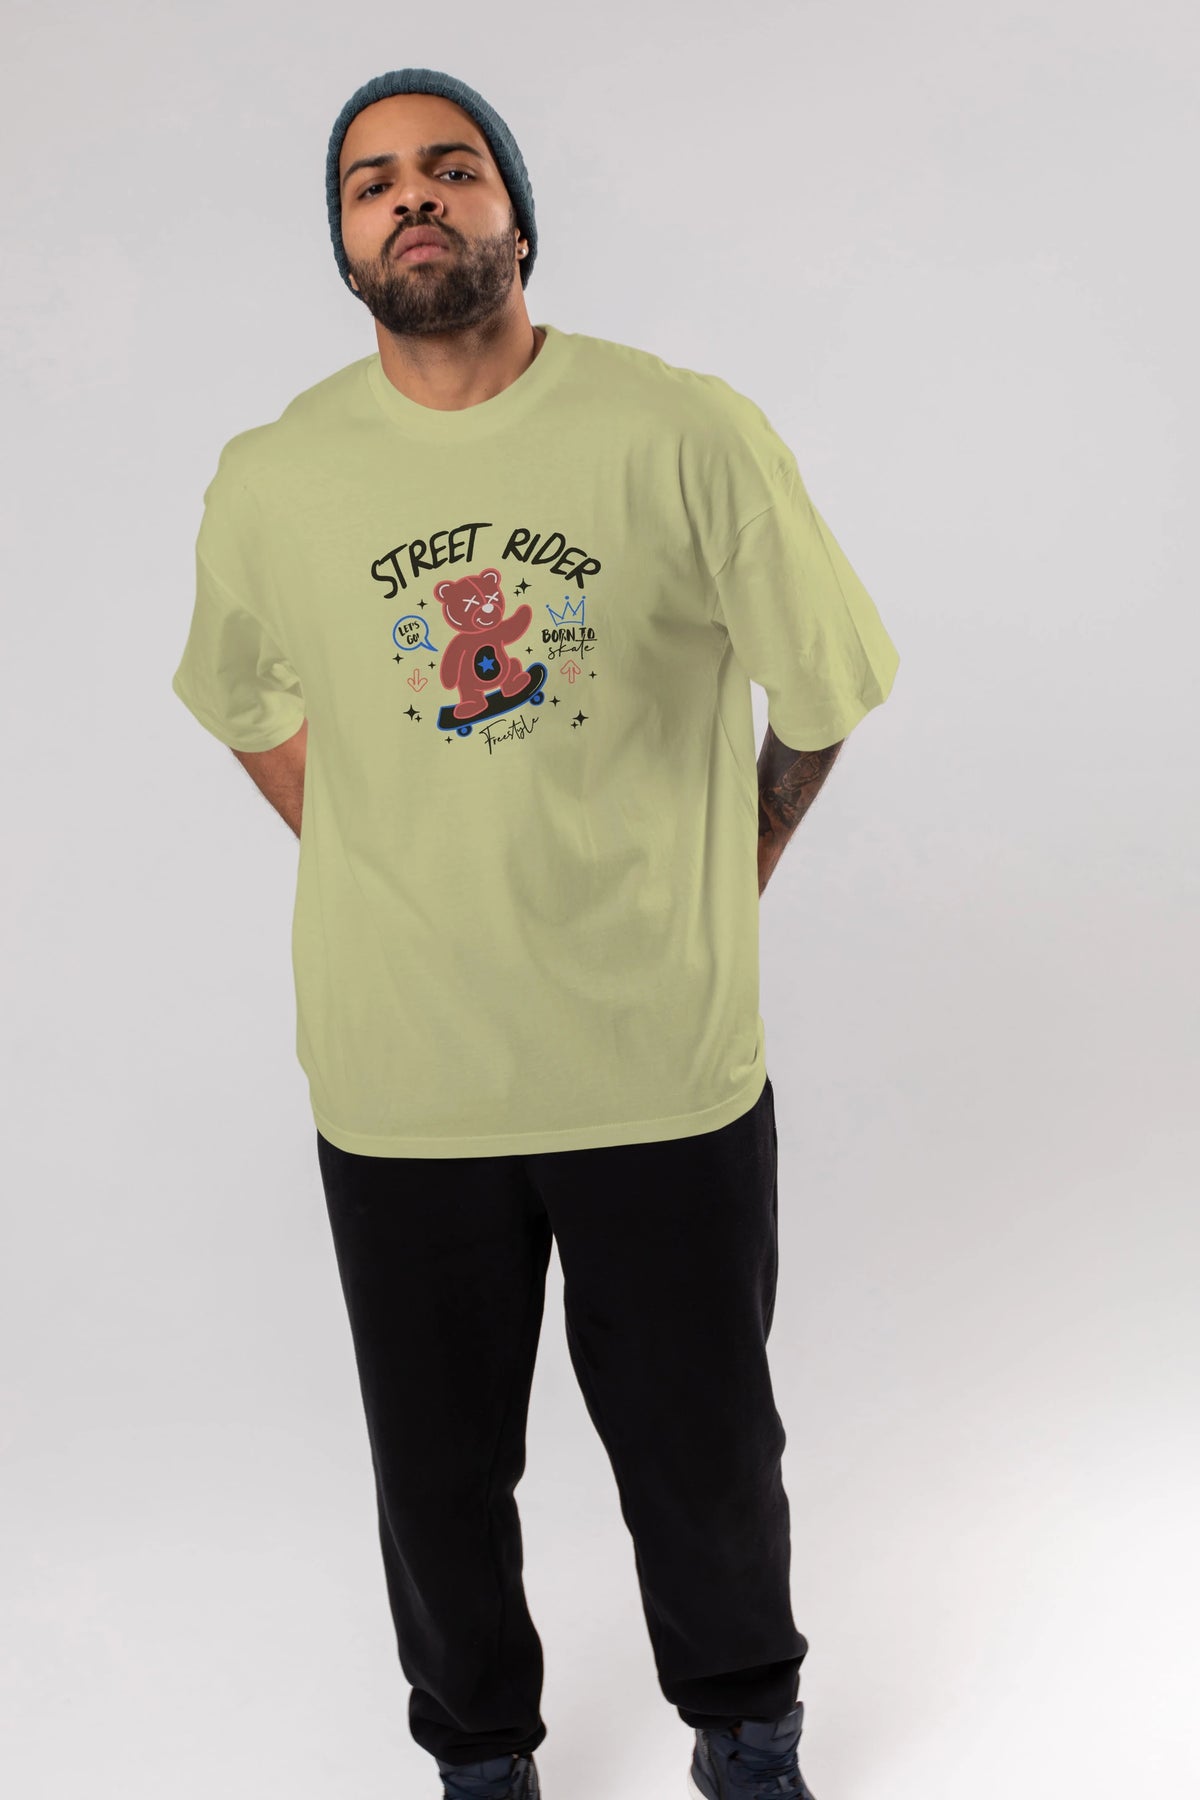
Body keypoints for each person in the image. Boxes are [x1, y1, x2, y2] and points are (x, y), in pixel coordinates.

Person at [170, 66, 900, 1800]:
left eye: (452, 167)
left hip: (658, 1060)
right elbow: (240, 696)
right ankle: (481, 1759)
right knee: (435, 1475)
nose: (413, 197)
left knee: (705, 1448)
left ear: (517, 213)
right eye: (372, 183)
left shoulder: (683, 432)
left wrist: (741, 858)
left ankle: (747, 1732)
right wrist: (375, 847)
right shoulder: (274, 476)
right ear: (344, 242)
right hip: (402, 1079)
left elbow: (824, 685)